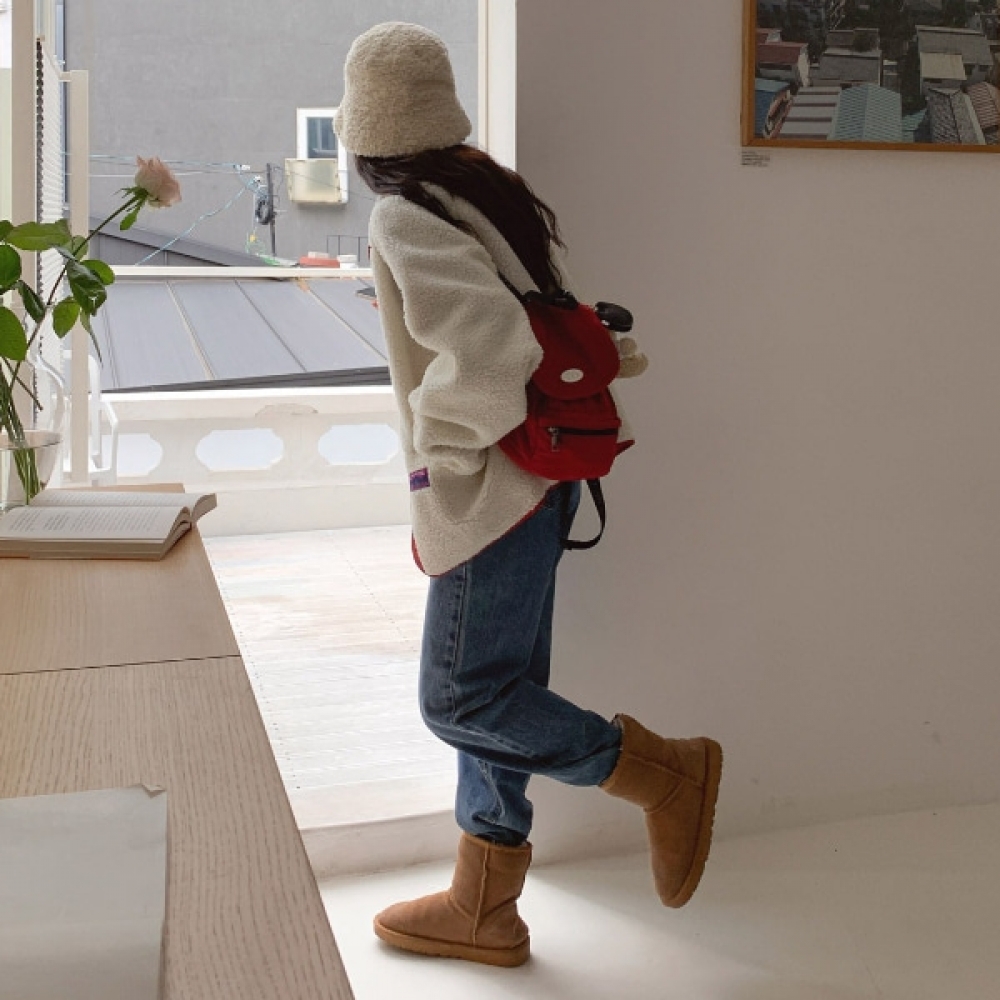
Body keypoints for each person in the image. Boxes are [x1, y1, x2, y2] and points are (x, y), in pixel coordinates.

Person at [333, 21, 723, 968]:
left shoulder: (405, 214)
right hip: (540, 480)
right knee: (505, 689)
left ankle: (661, 773)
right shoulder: (482, 190)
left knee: (460, 697)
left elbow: (490, 352)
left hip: (491, 487)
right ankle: (485, 905)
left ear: (362, 120)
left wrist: (440, 448)